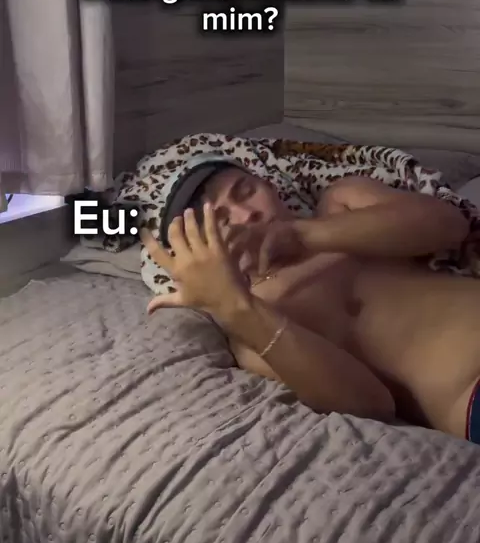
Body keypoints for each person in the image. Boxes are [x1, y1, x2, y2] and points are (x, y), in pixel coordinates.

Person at [139, 158, 480, 444]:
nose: (246, 216)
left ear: (269, 185)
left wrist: (303, 235)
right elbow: (371, 405)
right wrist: (236, 307)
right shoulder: (253, 323)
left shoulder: (340, 204)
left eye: (246, 192)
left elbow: (449, 225)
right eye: (221, 221)